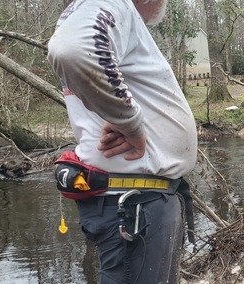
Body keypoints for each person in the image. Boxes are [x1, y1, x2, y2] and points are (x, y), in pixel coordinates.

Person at [47, 0, 197, 283]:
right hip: (133, 208)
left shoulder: (105, 16)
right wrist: (131, 124)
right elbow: (73, 50)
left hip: (139, 202)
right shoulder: (110, 3)